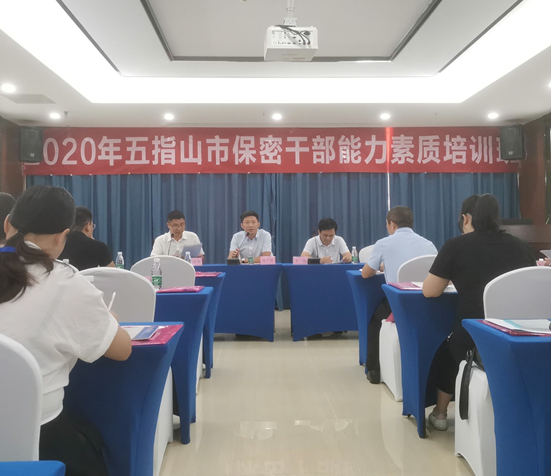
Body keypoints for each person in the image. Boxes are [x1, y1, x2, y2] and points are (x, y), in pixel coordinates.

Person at [0, 185, 132, 475]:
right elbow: (122, 349)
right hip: (39, 432)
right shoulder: (64, 281)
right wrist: (108, 318)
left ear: (8, 223)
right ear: (62, 237)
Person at [423, 194, 535, 431]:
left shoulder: (456, 246)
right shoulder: (521, 246)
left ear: (465, 218)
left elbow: (430, 291)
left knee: (449, 346)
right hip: (519, 338)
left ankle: (440, 413)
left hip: (474, 340)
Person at [361, 206, 437, 384]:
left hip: (398, 304)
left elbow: (365, 274)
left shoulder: (384, 243)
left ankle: (374, 369)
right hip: (426, 303)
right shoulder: (429, 244)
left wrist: (383, 267)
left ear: (392, 224)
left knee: (374, 321)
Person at [58, 206, 115, 270]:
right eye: (92, 226)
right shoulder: (99, 247)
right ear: (88, 225)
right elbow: (113, 272)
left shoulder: (59, 244)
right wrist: (93, 243)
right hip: (89, 277)